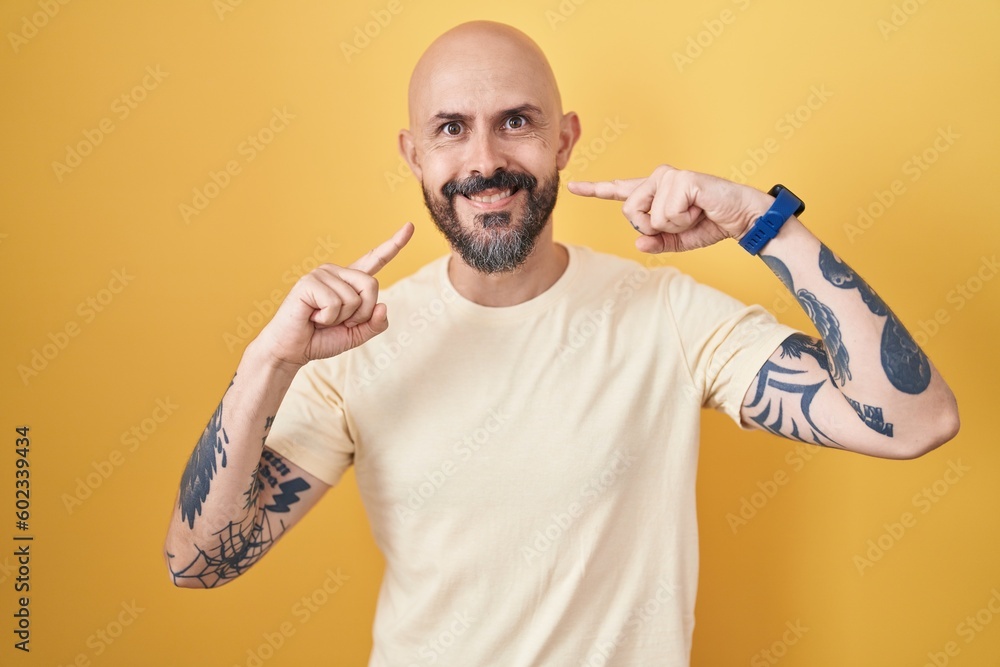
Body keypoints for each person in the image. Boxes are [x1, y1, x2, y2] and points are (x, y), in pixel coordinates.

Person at [163, 20, 959, 666]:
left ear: (565, 140)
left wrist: (765, 224)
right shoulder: (356, 346)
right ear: (413, 153)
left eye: (516, 122)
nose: (485, 161)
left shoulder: (669, 317)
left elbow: (917, 419)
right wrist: (268, 363)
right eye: (451, 129)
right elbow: (198, 561)